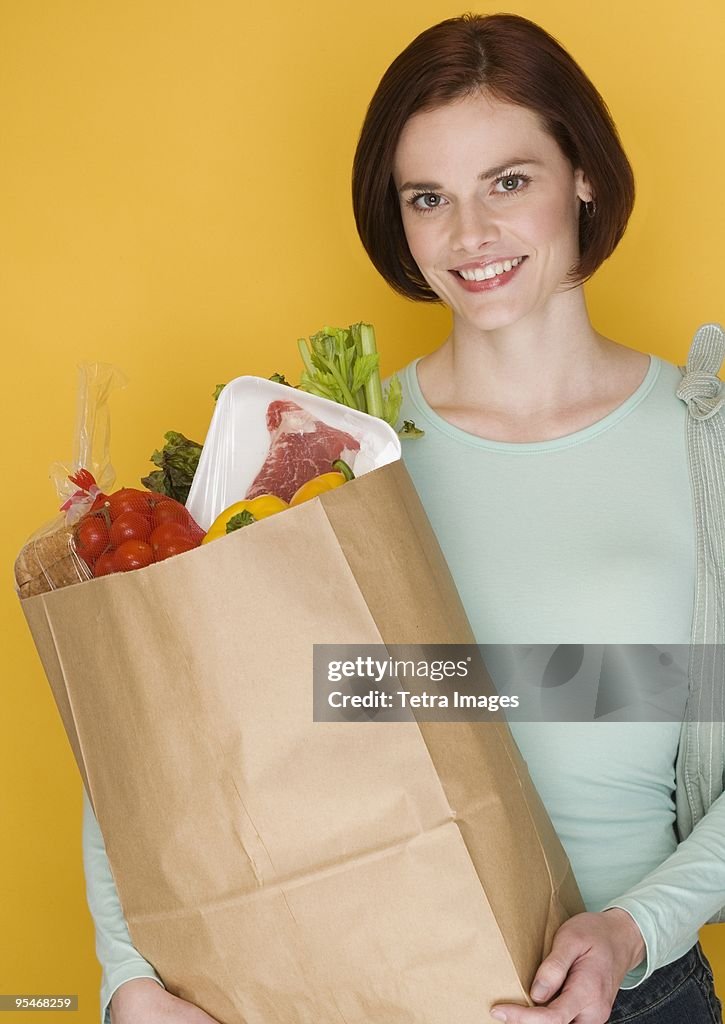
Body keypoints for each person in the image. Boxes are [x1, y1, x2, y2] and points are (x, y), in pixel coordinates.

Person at [83, 11, 725, 1024]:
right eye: (429, 197)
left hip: (636, 999)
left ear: (583, 175)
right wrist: (129, 981)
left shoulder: (704, 444)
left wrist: (630, 925)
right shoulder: (321, 445)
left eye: (508, 181)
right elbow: (151, 718)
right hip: (350, 998)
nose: (469, 236)